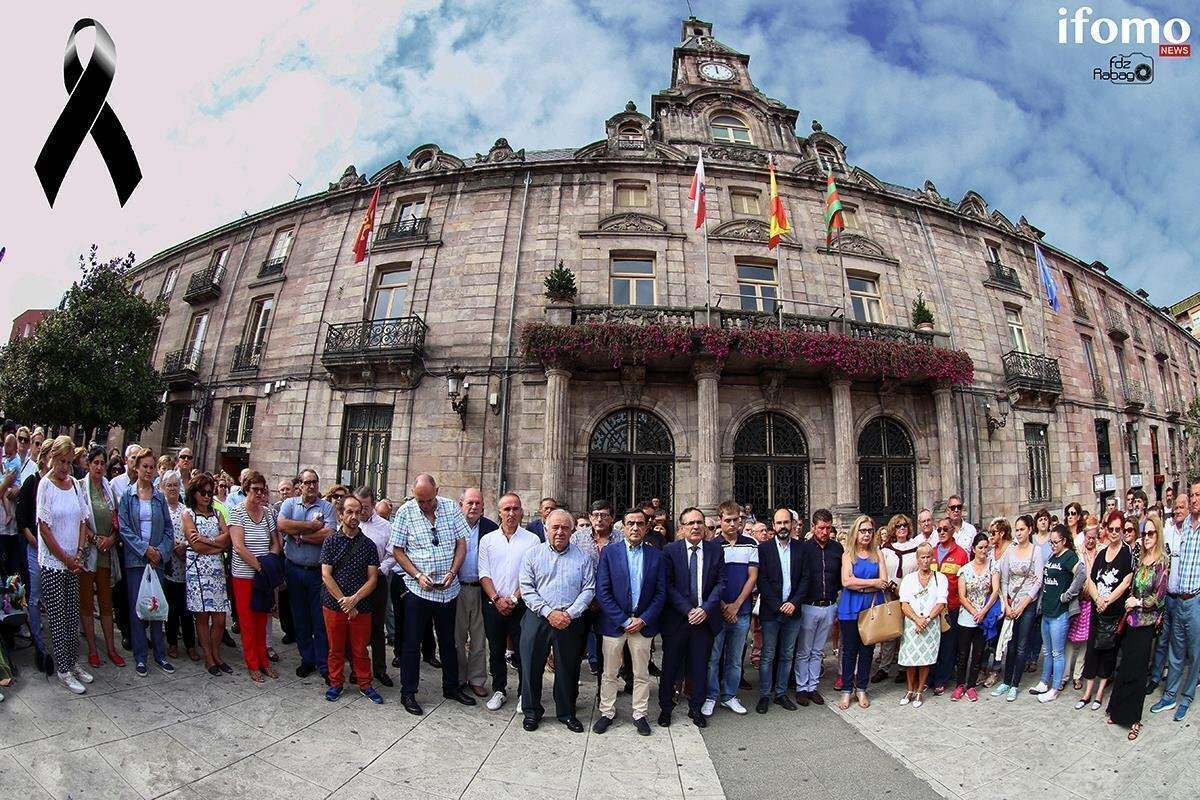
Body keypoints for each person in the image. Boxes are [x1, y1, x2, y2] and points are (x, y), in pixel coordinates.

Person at [389, 473, 475, 716]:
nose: (425, 505)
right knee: (411, 643)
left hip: (448, 590)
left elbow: (461, 543)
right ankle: (408, 692)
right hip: (419, 590)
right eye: (420, 501)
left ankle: (451, 687)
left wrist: (453, 571)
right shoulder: (405, 512)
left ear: (437, 491)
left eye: (428, 500)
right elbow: (397, 550)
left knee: (449, 642)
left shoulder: (451, 507)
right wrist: (417, 575)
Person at [518, 508, 594, 732]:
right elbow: (527, 588)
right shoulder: (532, 555)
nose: (560, 532)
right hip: (538, 617)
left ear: (572, 531)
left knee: (568, 667)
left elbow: (589, 589)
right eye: (555, 527)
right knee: (531, 665)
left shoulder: (583, 557)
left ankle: (566, 712)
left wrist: (570, 613)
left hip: (570, 619)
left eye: (565, 528)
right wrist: (548, 612)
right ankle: (531, 712)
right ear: (546, 529)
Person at [593, 508, 666, 735]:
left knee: (641, 673)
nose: (635, 528)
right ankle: (606, 712)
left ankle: (640, 714)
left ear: (646, 527)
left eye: (640, 523)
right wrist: (624, 620)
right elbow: (602, 591)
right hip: (615, 623)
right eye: (630, 523)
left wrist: (643, 619)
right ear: (622, 527)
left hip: (643, 624)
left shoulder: (656, 556)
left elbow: (660, 593)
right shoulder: (609, 553)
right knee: (610, 672)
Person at [657, 507, 724, 728]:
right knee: (670, 666)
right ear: (681, 528)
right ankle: (666, 708)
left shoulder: (715, 550)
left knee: (699, 666)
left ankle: (696, 708)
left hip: (705, 620)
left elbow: (721, 583)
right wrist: (688, 610)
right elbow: (667, 585)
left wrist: (705, 609)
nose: (696, 526)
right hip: (677, 620)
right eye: (690, 523)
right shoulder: (670, 550)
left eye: (699, 522)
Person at [38, 436, 93, 693]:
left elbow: (82, 520)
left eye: (69, 462)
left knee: (72, 615)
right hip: (54, 563)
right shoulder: (45, 486)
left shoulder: (74, 485)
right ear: (52, 458)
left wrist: (79, 552)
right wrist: (65, 558)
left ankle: (73, 662)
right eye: (61, 461)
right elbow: (44, 528)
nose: (65, 467)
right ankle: (63, 669)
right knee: (58, 618)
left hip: (73, 560)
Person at [116, 446, 176, 677]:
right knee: (137, 609)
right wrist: (144, 550)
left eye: (152, 467)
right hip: (136, 560)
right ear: (137, 467)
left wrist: (159, 552)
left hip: (156, 561)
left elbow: (169, 530)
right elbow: (124, 529)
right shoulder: (127, 496)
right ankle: (140, 656)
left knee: (156, 607)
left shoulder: (159, 497)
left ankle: (160, 654)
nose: (149, 471)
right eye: (145, 466)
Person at [1108, 512, 1169, 739]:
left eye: (1151, 533)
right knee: (1125, 666)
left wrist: (1138, 602)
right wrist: (1130, 601)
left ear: (1158, 535)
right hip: (1132, 620)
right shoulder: (1141, 559)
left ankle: (1134, 719)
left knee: (1138, 670)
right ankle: (1117, 711)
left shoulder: (1162, 562)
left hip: (1147, 622)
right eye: (1145, 533)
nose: (1147, 537)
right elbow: (1134, 587)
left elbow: (1159, 598)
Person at [478, 492, 540, 711]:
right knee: (496, 650)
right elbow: (484, 573)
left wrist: (513, 598)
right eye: (507, 509)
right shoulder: (488, 540)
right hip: (493, 603)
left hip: (521, 605)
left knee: (523, 650)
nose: (511, 513)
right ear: (499, 512)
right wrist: (496, 599)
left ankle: (524, 693)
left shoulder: (532, 540)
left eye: (515, 509)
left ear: (521, 512)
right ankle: (499, 690)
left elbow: (532, 575)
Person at [320, 495, 383, 703]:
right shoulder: (330, 542)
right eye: (349, 511)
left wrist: (354, 600)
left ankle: (365, 684)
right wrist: (344, 602)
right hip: (334, 605)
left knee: (360, 649)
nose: (354, 516)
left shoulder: (368, 545)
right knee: (335, 648)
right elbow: (326, 575)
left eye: (358, 512)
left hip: (361, 606)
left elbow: (373, 579)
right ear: (340, 514)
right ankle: (335, 683)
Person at [277, 469, 336, 681]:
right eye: (307, 482)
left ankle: (323, 664)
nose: (312, 486)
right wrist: (311, 527)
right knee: (300, 617)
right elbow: (282, 525)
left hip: (317, 573)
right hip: (293, 570)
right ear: (300, 485)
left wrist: (299, 535)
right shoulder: (289, 504)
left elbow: (328, 534)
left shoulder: (327, 507)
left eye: (315, 482)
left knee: (319, 619)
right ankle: (307, 659)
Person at [703, 500, 758, 718]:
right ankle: (710, 696)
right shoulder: (712, 546)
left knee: (735, 659)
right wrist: (723, 606)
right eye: (728, 520)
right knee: (713, 657)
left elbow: (752, 577)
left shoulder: (750, 544)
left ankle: (729, 695)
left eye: (736, 520)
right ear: (720, 520)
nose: (733, 524)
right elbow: (709, 580)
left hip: (741, 611)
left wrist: (736, 606)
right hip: (717, 612)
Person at [1151, 478, 1200, 721]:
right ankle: (1170, 696)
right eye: (1193, 495)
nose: (1194, 499)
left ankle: (1187, 697)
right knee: (1175, 650)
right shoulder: (1185, 527)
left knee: (1195, 653)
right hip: (1177, 599)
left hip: (1195, 601)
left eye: (1199, 495)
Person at [1078, 510, 1135, 712]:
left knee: (1108, 653)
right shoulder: (1102, 553)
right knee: (1092, 651)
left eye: (1118, 529)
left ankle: (1100, 693)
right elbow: (1091, 580)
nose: (1114, 533)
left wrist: (1108, 601)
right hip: (1098, 609)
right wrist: (1098, 600)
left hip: (1114, 613)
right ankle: (1087, 693)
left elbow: (1126, 582)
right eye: (1111, 529)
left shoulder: (1126, 553)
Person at [228, 470, 281, 683]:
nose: (260, 494)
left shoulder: (267, 513)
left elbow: (275, 542)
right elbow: (238, 547)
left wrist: (270, 562)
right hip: (244, 574)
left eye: (263, 490)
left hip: (263, 573)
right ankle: (252, 664)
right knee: (248, 621)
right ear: (246, 489)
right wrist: (260, 567)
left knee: (262, 618)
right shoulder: (236, 512)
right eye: (255, 490)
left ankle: (263, 662)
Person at [77, 444, 123, 668]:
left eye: (103, 463)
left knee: (106, 603)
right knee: (86, 603)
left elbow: (117, 520)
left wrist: (111, 539)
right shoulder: (80, 487)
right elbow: (80, 520)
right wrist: (95, 539)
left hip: (107, 554)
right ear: (88, 464)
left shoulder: (109, 489)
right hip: (89, 553)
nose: (99, 467)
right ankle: (93, 650)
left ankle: (111, 648)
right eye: (95, 462)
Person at [755, 507, 805, 714]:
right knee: (768, 654)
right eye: (779, 523)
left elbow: (806, 579)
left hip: (793, 611)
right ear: (773, 526)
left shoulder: (801, 548)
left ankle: (781, 693)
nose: (783, 526)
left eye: (786, 522)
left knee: (787, 654)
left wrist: (793, 603)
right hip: (771, 612)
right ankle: (765, 694)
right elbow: (762, 580)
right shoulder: (764, 550)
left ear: (792, 524)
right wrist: (777, 605)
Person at [182, 473, 232, 676]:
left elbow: (227, 539)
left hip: (217, 571)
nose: (207, 496)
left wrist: (207, 541)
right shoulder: (188, 514)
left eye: (210, 493)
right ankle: (208, 657)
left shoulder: (217, 514)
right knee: (202, 616)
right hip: (197, 571)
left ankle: (217, 653)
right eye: (202, 492)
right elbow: (195, 546)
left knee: (220, 618)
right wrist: (216, 544)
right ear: (194, 493)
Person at [837, 515, 888, 710]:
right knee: (850, 651)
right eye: (863, 530)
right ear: (855, 532)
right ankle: (846, 690)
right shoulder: (848, 554)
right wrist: (872, 582)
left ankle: (861, 689)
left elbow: (884, 582)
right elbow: (846, 582)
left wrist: (860, 584)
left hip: (871, 607)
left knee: (867, 650)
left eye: (869, 531)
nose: (866, 534)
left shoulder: (878, 553)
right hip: (850, 608)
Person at [1029, 524, 1085, 702]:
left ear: (1064, 541)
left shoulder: (1069, 556)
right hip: (1047, 609)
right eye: (1051, 542)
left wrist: (1068, 595)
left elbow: (1081, 574)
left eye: (1055, 542)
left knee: (1057, 653)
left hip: (1059, 612)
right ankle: (1044, 682)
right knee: (1047, 651)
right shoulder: (1053, 556)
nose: (1052, 545)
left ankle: (1054, 688)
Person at [792, 508, 842, 706]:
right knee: (804, 650)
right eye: (821, 528)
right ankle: (801, 687)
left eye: (828, 528)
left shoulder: (837, 549)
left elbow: (840, 577)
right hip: (808, 605)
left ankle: (813, 687)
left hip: (829, 604)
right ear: (812, 527)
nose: (825, 532)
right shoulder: (803, 548)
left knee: (818, 650)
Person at [991, 514, 1044, 702]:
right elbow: (1004, 579)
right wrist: (1006, 603)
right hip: (1011, 602)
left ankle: (1015, 684)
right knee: (1010, 644)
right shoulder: (1010, 551)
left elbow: (1038, 581)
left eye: (1022, 529)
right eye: (1017, 530)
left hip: (1027, 603)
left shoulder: (1036, 551)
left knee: (1022, 645)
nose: (1019, 533)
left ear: (1030, 530)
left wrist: (1023, 605)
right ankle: (1006, 681)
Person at [572, 500, 623, 677]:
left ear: (612, 518)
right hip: (583, 602)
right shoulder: (577, 538)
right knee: (576, 648)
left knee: (608, 651)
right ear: (590, 517)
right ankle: (571, 687)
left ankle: (607, 687)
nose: (599, 519)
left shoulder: (621, 538)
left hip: (611, 603)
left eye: (604, 515)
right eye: (595, 515)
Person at [455, 487, 495, 699]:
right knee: (457, 638)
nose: (473, 506)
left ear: (483, 506)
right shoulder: (452, 525)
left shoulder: (491, 528)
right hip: (457, 588)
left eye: (477, 503)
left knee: (479, 639)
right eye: (469, 502)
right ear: (460, 504)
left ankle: (477, 679)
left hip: (481, 590)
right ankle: (459, 678)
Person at [897, 542, 948, 708]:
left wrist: (926, 619)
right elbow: (904, 603)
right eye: (922, 557)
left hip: (930, 624)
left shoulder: (940, 578)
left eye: (928, 557)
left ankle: (920, 691)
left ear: (932, 558)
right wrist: (917, 619)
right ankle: (909, 689)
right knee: (910, 659)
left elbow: (941, 602)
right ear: (917, 559)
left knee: (925, 659)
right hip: (912, 624)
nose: (925, 560)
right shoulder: (909, 579)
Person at [354, 486, 394, 687]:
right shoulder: (349, 524)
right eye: (358, 506)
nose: (361, 511)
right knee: (356, 626)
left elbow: (393, 554)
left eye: (365, 507)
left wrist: (380, 569)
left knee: (377, 627)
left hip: (377, 581)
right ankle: (357, 668)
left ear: (374, 505)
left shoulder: (385, 527)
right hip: (354, 582)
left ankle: (380, 669)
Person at [1149, 494, 1190, 692]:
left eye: (1182, 507)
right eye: (1176, 508)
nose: (1178, 510)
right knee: (1163, 640)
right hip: (1168, 597)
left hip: (1186, 598)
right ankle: (1155, 677)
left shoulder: (1192, 534)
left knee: (1184, 642)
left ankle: (1185, 679)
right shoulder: (1167, 533)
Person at [951, 533, 999, 702]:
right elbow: (962, 596)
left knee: (978, 654)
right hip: (966, 616)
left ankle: (971, 685)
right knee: (963, 654)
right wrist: (974, 612)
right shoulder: (964, 570)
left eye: (986, 547)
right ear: (973, 549)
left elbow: (995, 591)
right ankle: (960, 684)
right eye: (980, 547)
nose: (983, 551)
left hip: (983, 616)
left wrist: (983, 611)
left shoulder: (993, 567)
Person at [929, 513, 970, 694]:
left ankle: (941, 679)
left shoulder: (961, 554)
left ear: (953, 530)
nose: (942, 532)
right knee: (932, 643)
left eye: (945, 529)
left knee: (948, 645)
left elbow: (965, 583)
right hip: (932, 608)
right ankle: (929, 677)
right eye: (939, 529)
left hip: (951, 607)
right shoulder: (931, 552)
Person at [160, 472, 197, 661]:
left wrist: (185, 546)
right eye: (169, 485)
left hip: (185, 565)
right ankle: (172, 643)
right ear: (163, 488)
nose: (173, 489)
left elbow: (194, 534)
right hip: (169, 566)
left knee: (187, 609)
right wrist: (172, 545)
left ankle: (190, 645)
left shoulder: (186, 510)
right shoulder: (161, 509)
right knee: (172, 608)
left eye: (176, 485)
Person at [1066, 518, 1100, 689]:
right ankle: (1065, 674)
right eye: (1088, 537)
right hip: (1078, 600)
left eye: (1094, 538)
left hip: (1092, 602)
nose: (1091, 541)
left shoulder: (1101, 552)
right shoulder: (1077, 552)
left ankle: (1077, 675)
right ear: (1084, 536)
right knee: (1071, 639)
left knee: (1086, 640)